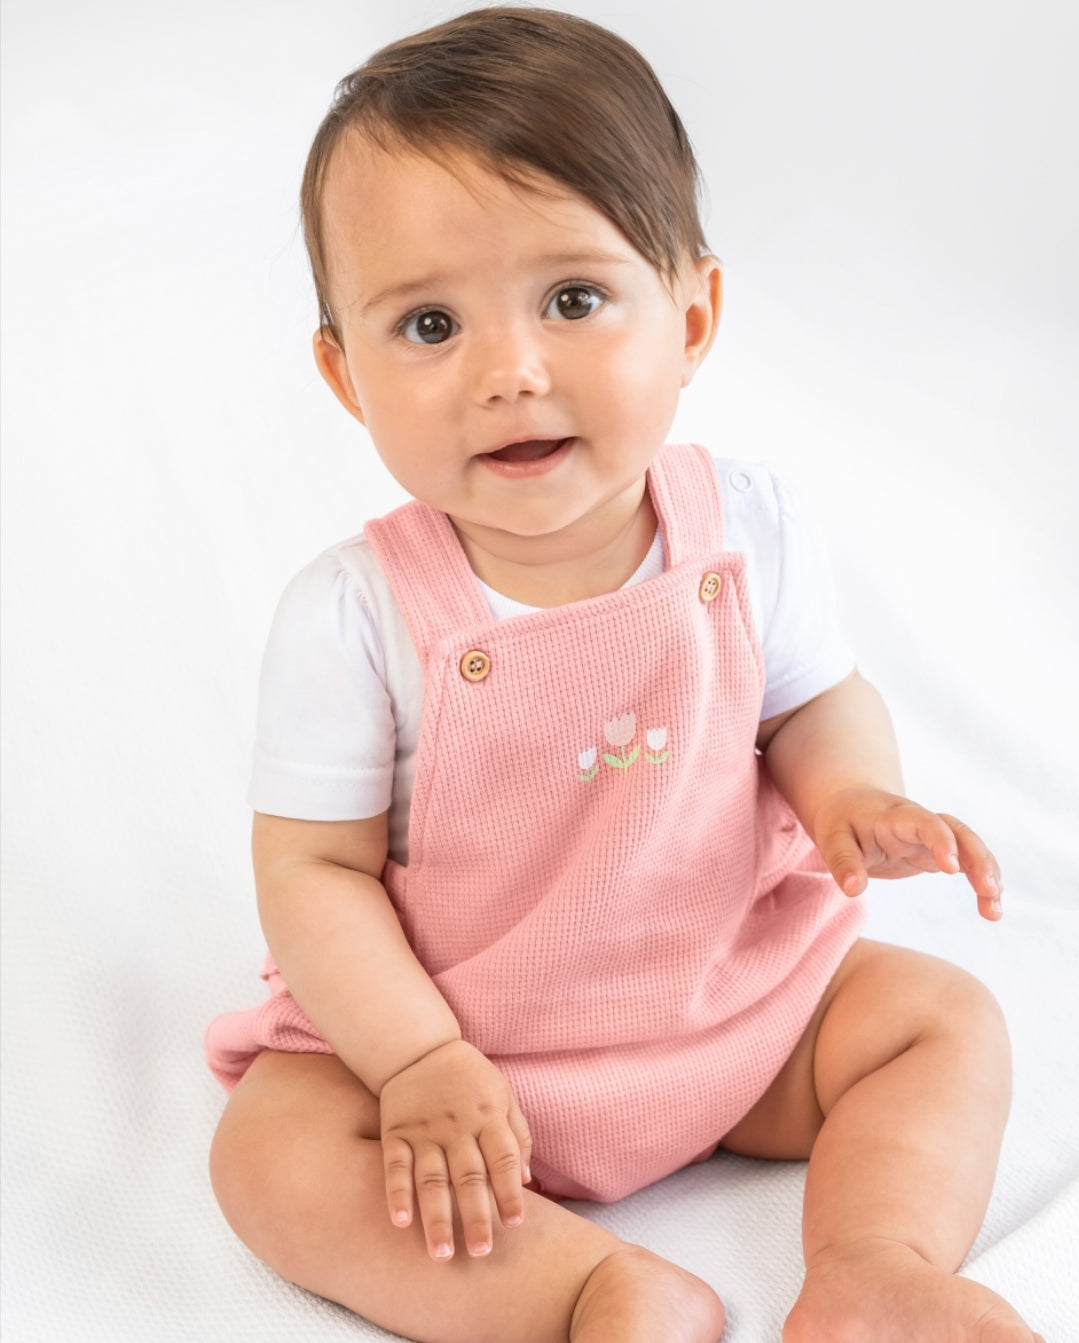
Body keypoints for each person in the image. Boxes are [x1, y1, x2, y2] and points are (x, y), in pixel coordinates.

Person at [204, 9, 1042, 1341]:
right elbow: (312, 873)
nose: (511, 373)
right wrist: (417, 1060)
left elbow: (811, 703)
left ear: (693, 310)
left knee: (940, 1020)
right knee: (270, 1153)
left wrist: (852, 797)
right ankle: (593, 1291)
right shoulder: (355, 614)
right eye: (428, 324)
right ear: (345, 376)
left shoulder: (747, 527)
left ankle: (875, 1264)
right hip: (461, 1078)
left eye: (574, 299)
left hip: (725, 1016)